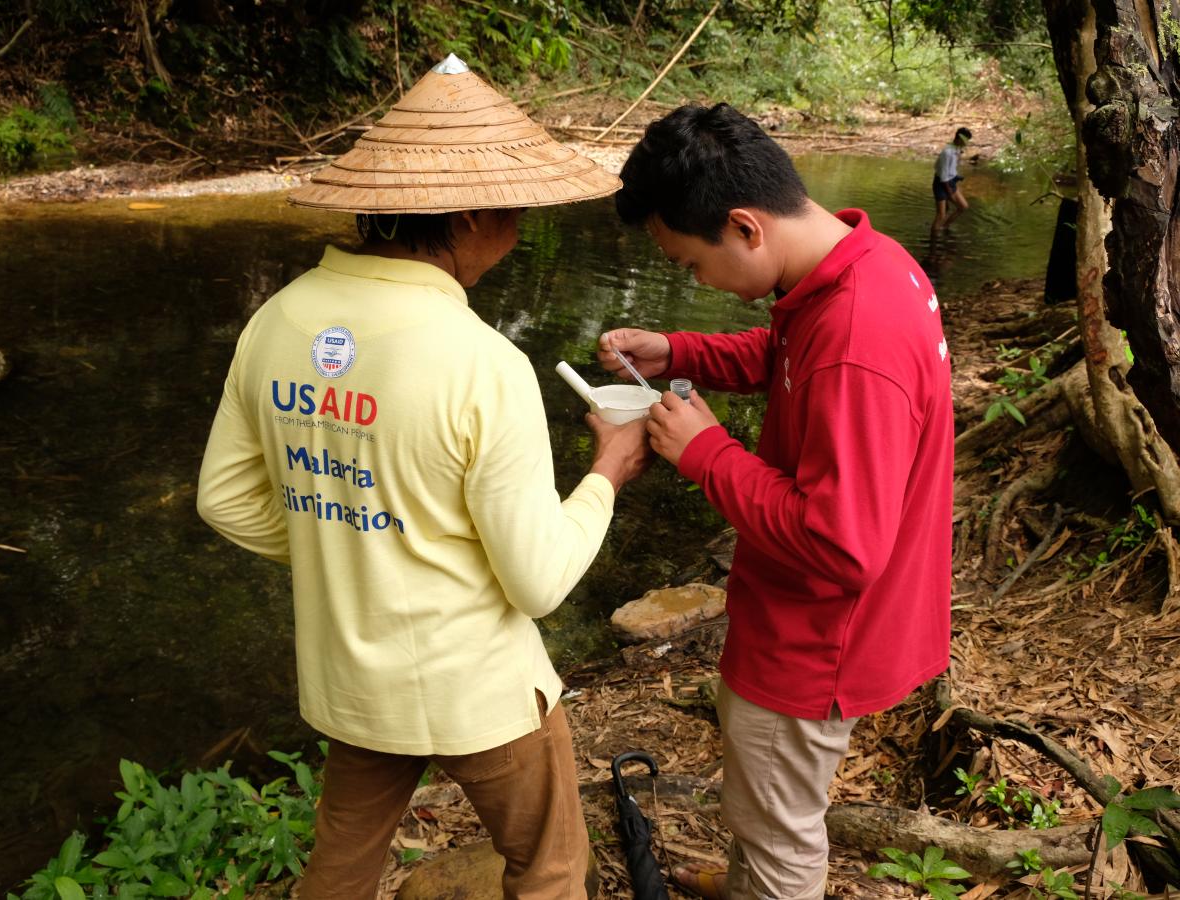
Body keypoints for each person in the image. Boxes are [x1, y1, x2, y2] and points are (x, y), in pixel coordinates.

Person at [196, 55, 651, 900]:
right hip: (475, 685)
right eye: (515, 212)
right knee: (550, 866)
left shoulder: (277, 319)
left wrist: (343, 535)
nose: (519, 231)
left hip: (350, 678)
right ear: (472, 214)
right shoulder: (483, 362)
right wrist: (609, 473)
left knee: (339, 869)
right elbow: (540, 581)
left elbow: (223, 498)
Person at [598, 103, 953, 900]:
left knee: (779, 834)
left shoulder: (858, 336)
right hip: (818, 623)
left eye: (693, 264)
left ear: (746, 227)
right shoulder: (865, 266)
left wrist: (706, 453)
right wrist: (680, 350)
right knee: (763, 813)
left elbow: (843, 546)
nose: (698, 282)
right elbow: (789, 351)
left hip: (815, 642)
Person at [932, 126, 972, 232]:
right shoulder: (947, 152)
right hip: (942, 184)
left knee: (963, 206)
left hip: (951, 181)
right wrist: (949, 192)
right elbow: (943, 175)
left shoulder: (956, 148)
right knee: (941, 214)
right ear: (958, 139)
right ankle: (934, 239)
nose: (965, 144)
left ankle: (945, 227)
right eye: (964, 141)